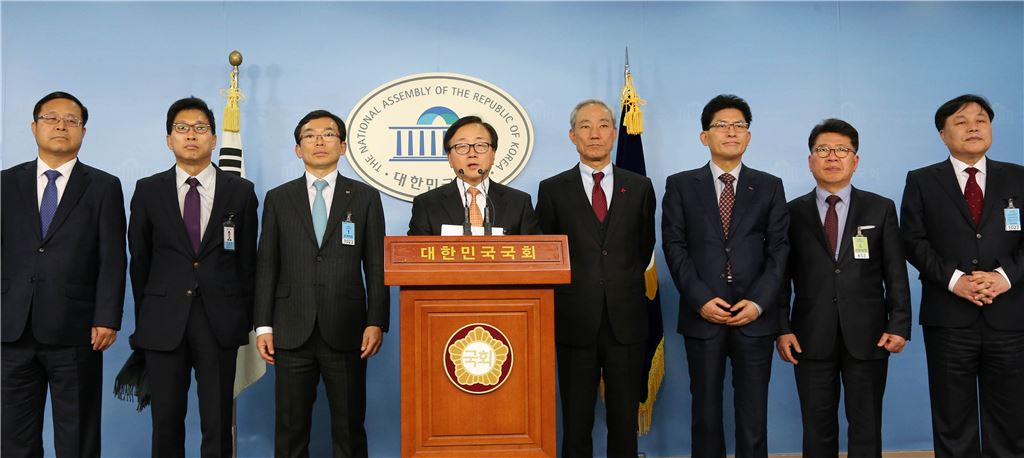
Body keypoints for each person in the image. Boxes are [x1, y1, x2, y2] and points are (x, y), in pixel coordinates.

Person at [128, 96, 259, 457]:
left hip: (219, 320)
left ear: (214, 139)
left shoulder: (241, 192)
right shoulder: (148, 190)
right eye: (182, 128)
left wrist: (243, 318)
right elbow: (140, 261)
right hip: (163, 319)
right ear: (169, 139)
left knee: (217, 421)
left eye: (200, 128)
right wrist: (148, 315)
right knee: (166, 421)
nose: (191, 135)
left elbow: (248, 263)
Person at [255, 109, 389, 457]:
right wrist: (263, 325)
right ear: (298, 149)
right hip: (290, 328)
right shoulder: (278, 198)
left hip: (347, 327)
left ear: (342, 146)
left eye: (328, 134)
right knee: (290, 429)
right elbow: (267, 265)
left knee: (349, 428)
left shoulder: (364, 197)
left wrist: (376, 320)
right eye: (310, 135)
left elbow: (377, 265)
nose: (319, 141)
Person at [661, 94, 788, 458]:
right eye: (721, 125)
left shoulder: (769, 185)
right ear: (704, 136)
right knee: (705, 412)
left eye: (739, 126)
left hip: (754, 316)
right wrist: (700, 299)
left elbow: (779, 250)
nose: (731, 132)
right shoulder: (681, 185)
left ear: (748, 136)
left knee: (753, 414)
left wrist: (759, 302)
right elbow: (674, 245)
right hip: (703, 314)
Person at [776, 118, 911, 457]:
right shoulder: (791, 212)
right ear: (810, 160)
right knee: (816, 427)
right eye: (823, 149)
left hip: (869, 334)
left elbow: (895, 272)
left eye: (841, 149)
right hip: (809, 334)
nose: (832, 156)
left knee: (866, 425)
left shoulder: (880, 208)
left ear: (855, 160)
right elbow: (780, 277)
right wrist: (782, 328)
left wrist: (899, 324)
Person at [1, 91, 126, 458]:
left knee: (78, 435)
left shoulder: (103, 186)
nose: (61, 126)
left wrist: (107, 317)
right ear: (34, 127)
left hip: (77, 329)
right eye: (51, 118)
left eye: (71, 120)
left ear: (83, 131)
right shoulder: (5, 183)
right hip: (12, 326)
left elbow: (113, 258)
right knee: (13, 435)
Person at [900, 94, 1024, 458]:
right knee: (953, 419)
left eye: (981, 120)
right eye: (961, 121)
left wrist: (1003, 277)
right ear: (943, 134)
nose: (973, 127)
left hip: (1010, 315)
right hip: (949, 317)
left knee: (1012, 418)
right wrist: (956, 281)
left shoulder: (1019, 177)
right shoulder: (922, 180)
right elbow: (912, 241)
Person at [535, 99, 656, 457]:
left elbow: (644, 246)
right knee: (576, 420)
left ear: (615, 134)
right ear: (572, 136)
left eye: (603, 125)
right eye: (585, 126)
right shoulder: (553, 189)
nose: (594, 134)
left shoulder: (640, 186)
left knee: (623, 419)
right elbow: (547, 253)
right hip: (575, 320)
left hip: (626, 319)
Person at [408, 115, 540, 236]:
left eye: (481, 145)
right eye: (462, 146)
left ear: (493, 155)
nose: (472, 154)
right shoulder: (427, 204)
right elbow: (412, 251)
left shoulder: (519, 203)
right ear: (450, 158)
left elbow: (536, 250)